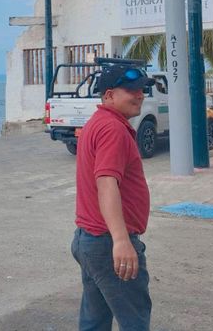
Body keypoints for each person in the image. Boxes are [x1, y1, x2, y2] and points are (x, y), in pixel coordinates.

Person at [71, 64, 155, 331]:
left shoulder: (98, 123)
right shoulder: (112, 129)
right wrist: (121, 241)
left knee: (95, 320)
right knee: (134, 320)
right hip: (107, 242)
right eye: (131, 90)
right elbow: (106, 183)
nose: (139, 95)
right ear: (109, 95)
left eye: (142, 90)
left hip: (90, 239)